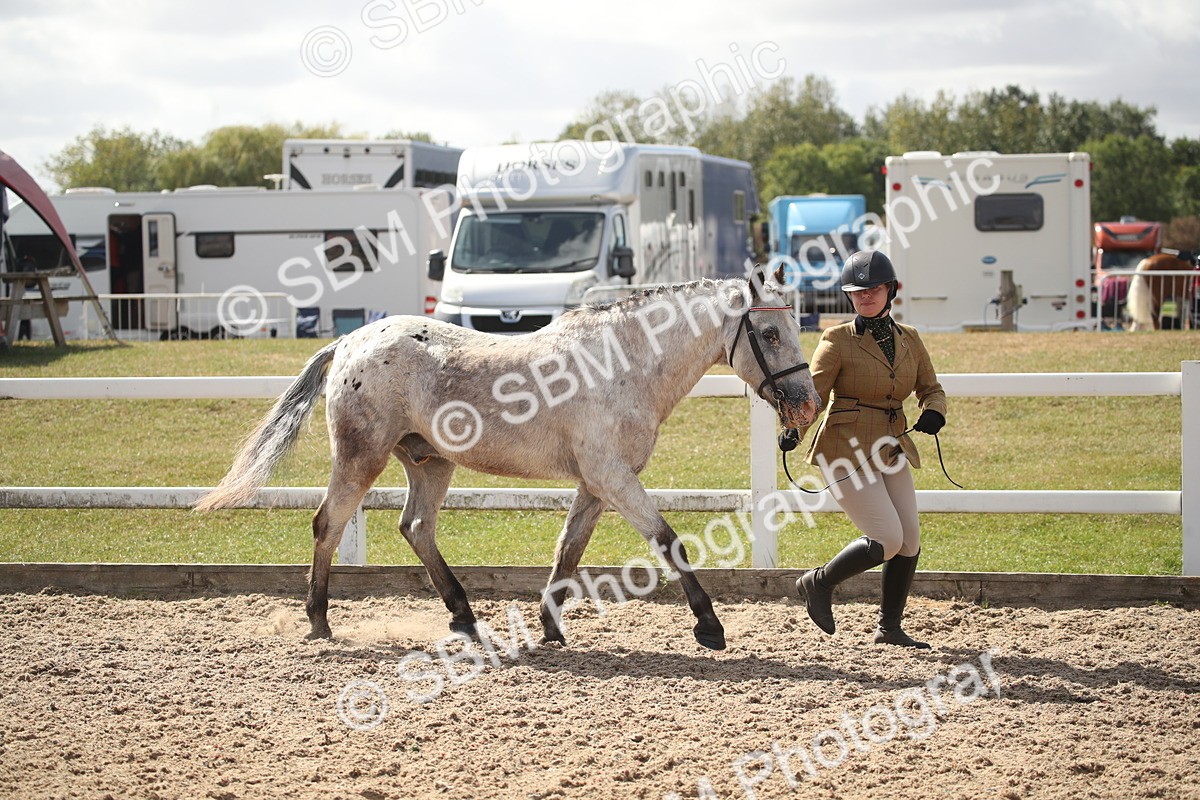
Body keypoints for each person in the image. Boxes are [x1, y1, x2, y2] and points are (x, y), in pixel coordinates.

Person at [785, 249, 947, 648]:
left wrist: (935, 412)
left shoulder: (910, 339)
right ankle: (818, 583)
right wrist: (794, 429)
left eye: (873, 289)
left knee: (909, 541)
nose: (865, 297)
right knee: (887, 537)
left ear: (891, 290)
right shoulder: (836, 340)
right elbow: (812, 396)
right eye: (857, 292)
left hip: (891, 447)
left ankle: (889, 628)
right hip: (844, 448)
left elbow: (931, 388)